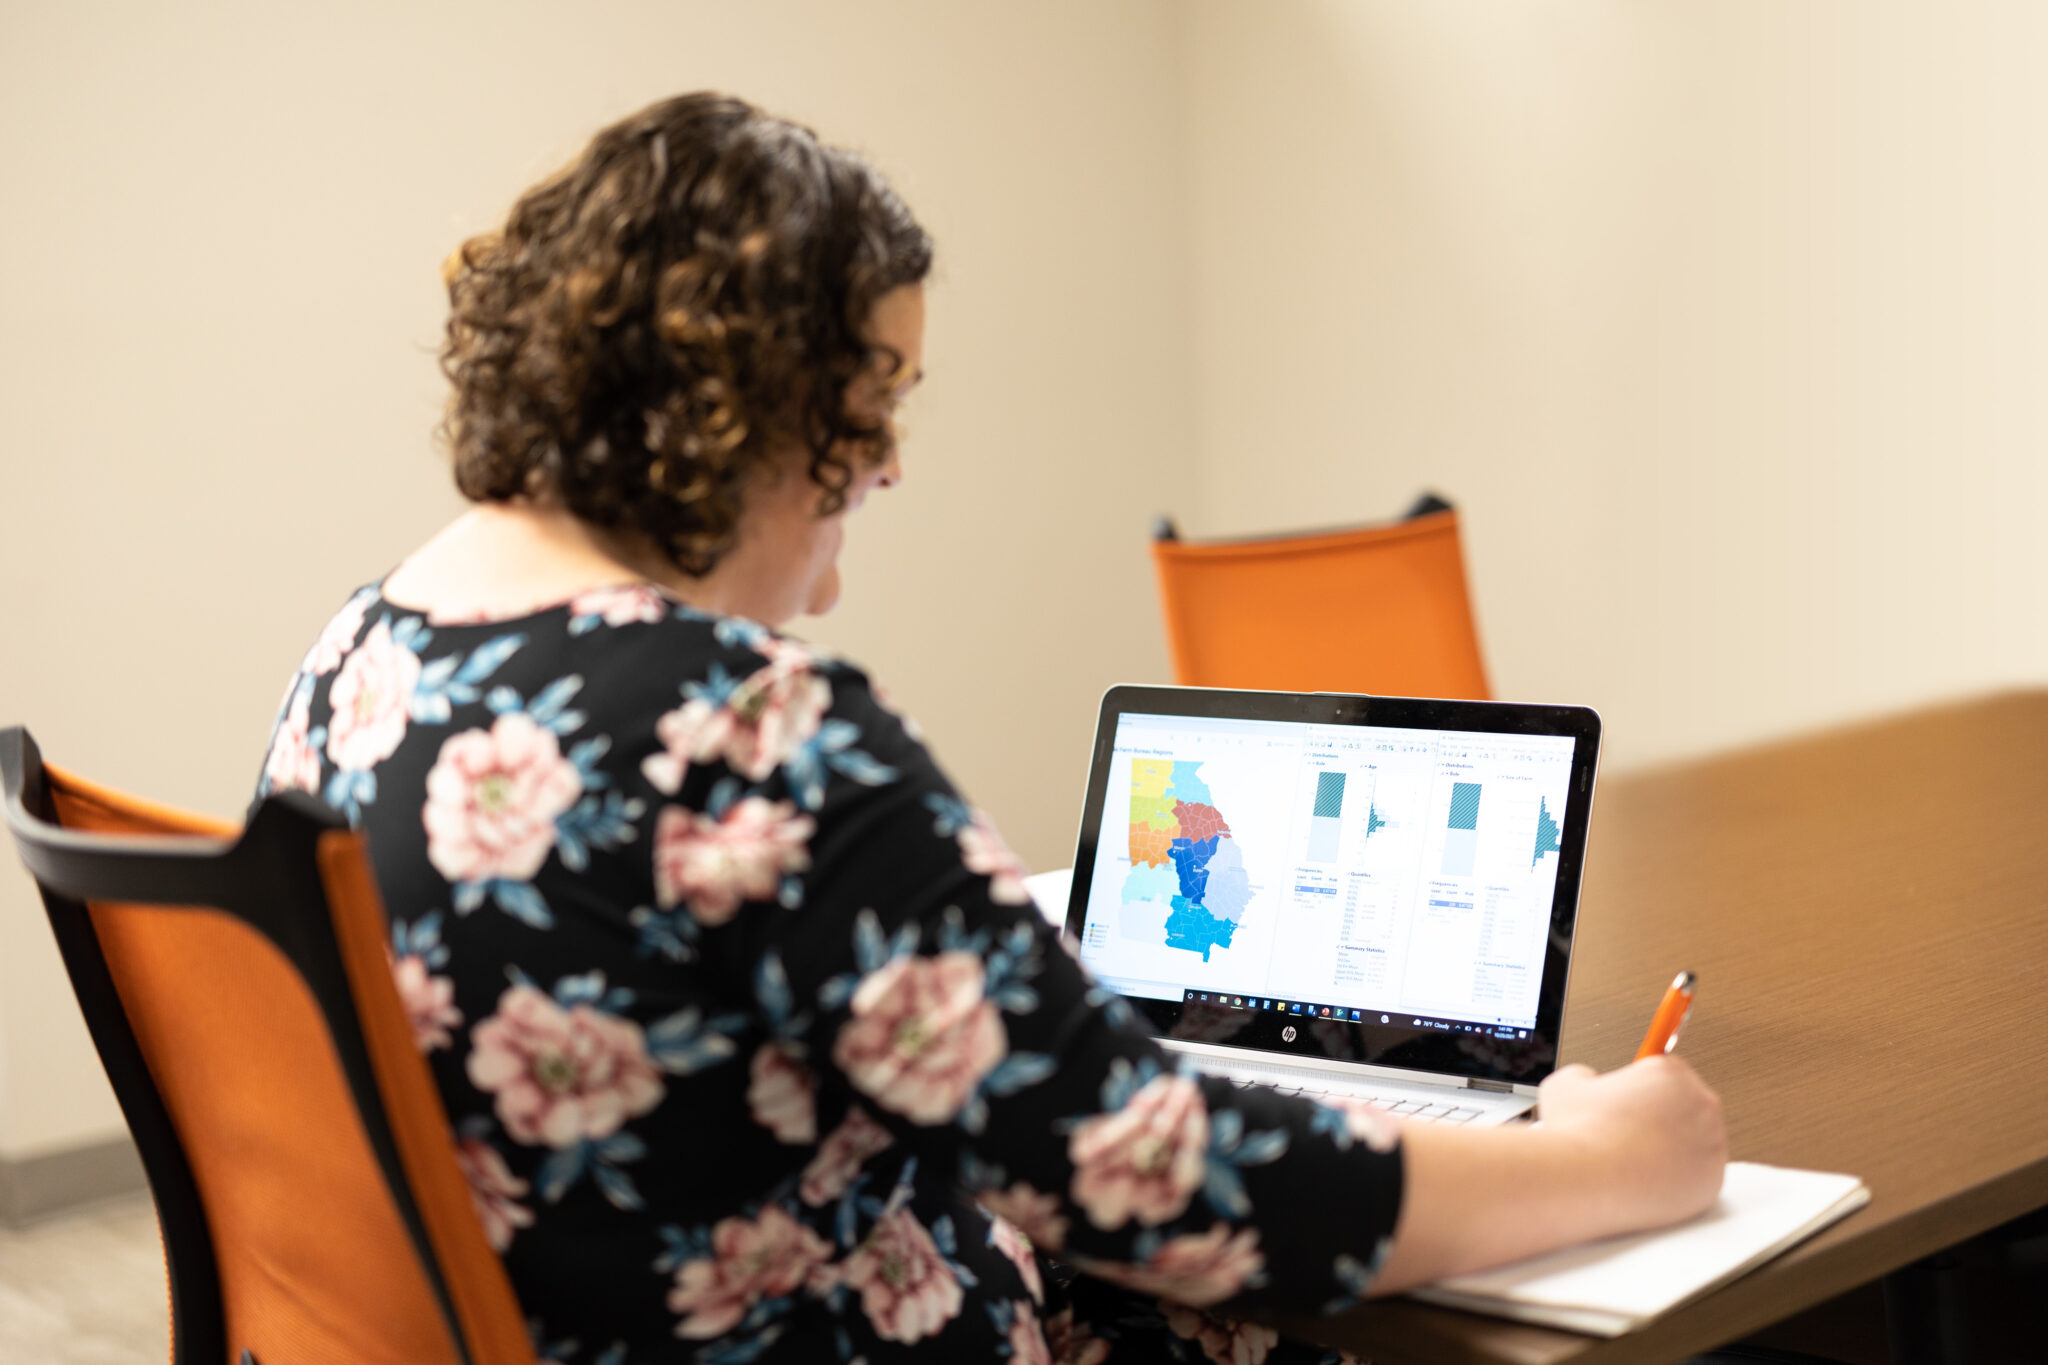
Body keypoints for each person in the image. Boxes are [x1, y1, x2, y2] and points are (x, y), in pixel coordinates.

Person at [259, 92, 1725, 1364]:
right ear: (744, 403)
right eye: (876, 398)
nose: (890, 461)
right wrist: (1604, 1155)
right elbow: (1169, 1180)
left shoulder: (358, 654)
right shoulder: (748, 727)